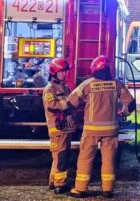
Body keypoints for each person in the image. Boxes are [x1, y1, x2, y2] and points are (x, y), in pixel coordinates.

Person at [67, 56, 135, 198]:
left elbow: (71, 102)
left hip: (91, 130)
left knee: (85, 158)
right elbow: (131, 103)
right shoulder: (117, 84)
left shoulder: (87, 84)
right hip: (111, 130)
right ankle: (108, 189)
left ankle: (80, 189)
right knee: (109, 159)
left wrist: (71, 116)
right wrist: (124, 112)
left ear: (94, 69)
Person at [42, 58, 76, 194]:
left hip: (66, 127)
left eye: (65, 71)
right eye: (61, 72)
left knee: (60, 155)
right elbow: (52, 106)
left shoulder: (65, 87)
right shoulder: (49, 89)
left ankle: (53, 181)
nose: (64, 74)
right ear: (54, 72)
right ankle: (60, 185)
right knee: (61, 156)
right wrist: (68, 105)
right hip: (57, 128)